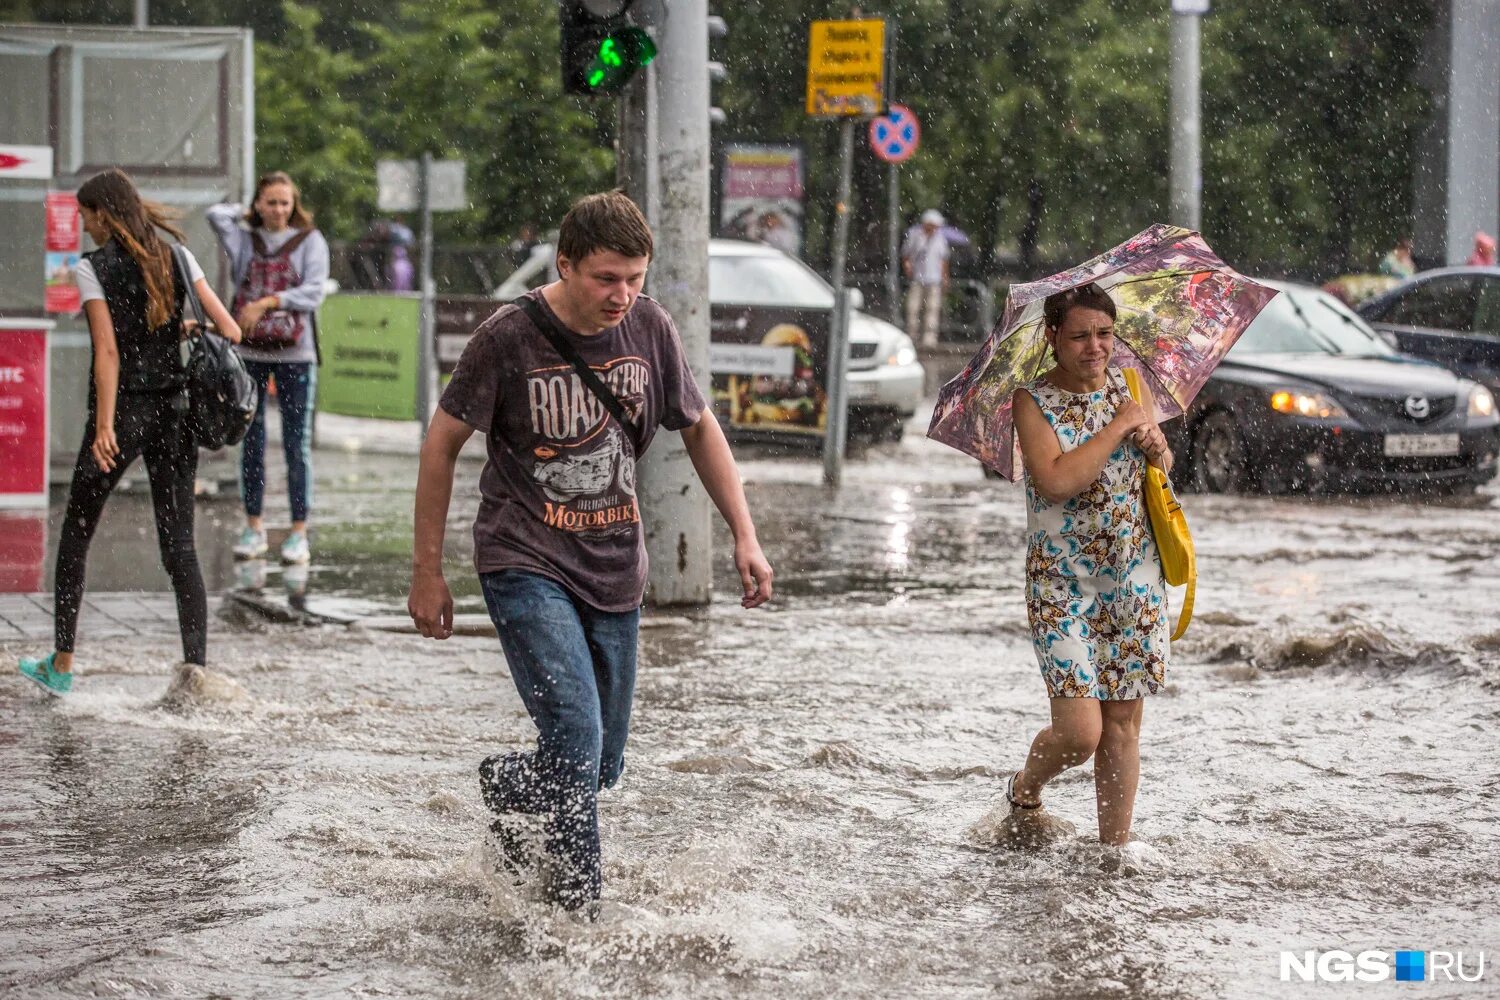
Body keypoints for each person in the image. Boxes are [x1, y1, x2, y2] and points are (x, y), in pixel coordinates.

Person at [407, 191, 774, 912]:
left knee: (600, 765)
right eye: (607, 278)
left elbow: (699, 427)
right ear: (565, 263)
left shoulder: (649, 327)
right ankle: (579, 920)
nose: (622, 295)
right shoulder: (508, 336)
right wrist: (427, 572)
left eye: (635, 278)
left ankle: (507, 786)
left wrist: (745, 532)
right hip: (523, 558)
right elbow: (441, 443)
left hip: (613, 565)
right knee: (575, 738)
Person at [18, 168, 241, 697]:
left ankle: (62, 665)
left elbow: (109, 352)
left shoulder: (92, 269)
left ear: (104, 214)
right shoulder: (178, 258)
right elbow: (231, 330)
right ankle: (195, 674)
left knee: (76, 533)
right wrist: (188, 328)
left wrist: (103, 426)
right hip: (176, 416)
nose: (85, 227)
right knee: (179, 547)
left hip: (124, 416)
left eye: (86, 217)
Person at [1003, 283, 1172, 847]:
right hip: (1062, 584)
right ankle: (1026, 785)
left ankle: (1113, 856)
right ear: (1053, 338)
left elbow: (1161, 467)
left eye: (1104, 333)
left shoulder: (1130, 386)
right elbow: (1054, 482)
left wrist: (1155, 445)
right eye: (1079, 336)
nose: (1095, 347)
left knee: (1122, 725)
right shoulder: (1031, 401)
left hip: (1132, 577)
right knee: (1080, 734)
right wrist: (1121, 426)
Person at [208, 172, 330, 565]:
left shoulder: (311, 241)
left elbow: (313, 291)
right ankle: (254, 525)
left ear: (295, 205)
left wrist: (267, 302)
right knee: (252, 442)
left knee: (297, 445)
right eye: (271, 202)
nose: (278, 210)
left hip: (297, 354)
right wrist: (248, 212)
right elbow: (215, 215)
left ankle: (298, 531)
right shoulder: (246, 238)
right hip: (251, 354)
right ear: (259, 204)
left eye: (285, 203)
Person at [902, 208, 951, 348]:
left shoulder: (940, 238)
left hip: (934, 279)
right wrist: (908, 267)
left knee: (932, 309)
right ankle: (912, 335)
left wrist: (945, 277)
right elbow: (906, 254)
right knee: (913, 307)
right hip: (918, 278)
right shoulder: (914, 235)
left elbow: (944, 260)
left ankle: (929, 339)